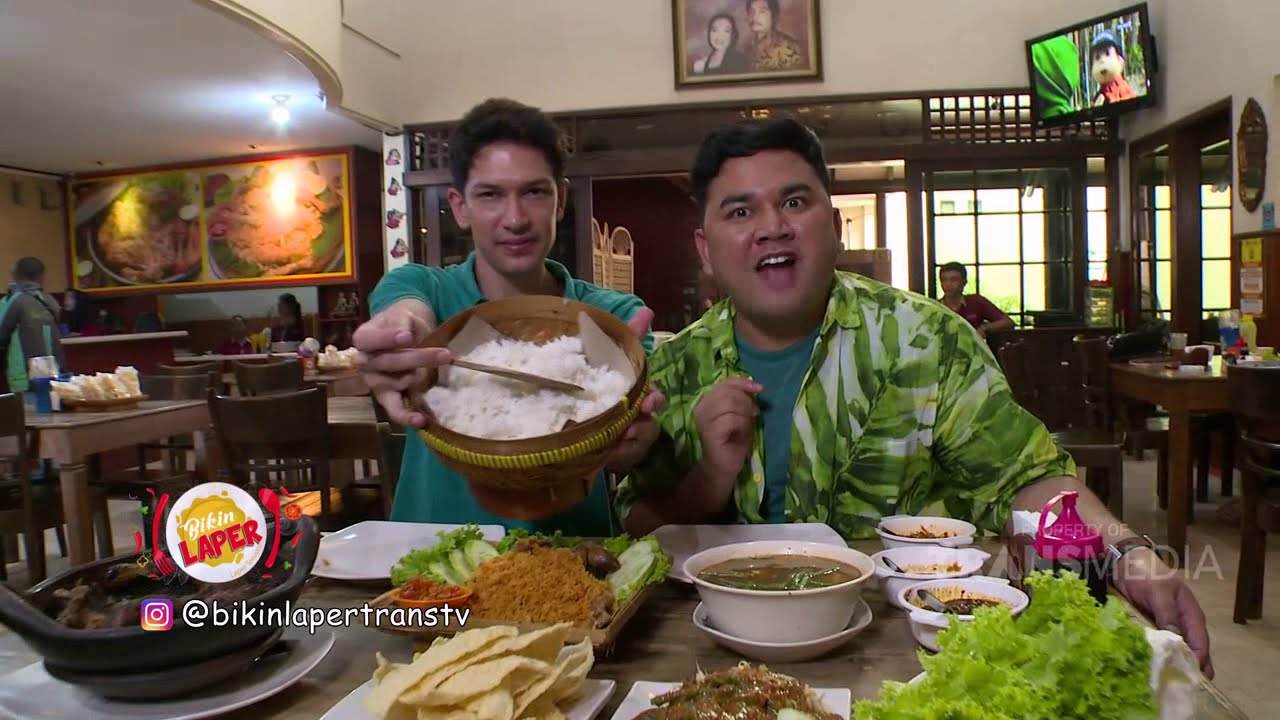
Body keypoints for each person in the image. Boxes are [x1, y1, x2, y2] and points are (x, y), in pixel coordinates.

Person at [615, 117, 1213, 676]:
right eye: (741, 210)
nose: (772, 226)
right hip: (707, 659)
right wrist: (709, 480)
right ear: (705, 248)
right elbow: (635, 531)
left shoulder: (926, 339)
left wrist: (1126, 551)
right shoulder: (671, 368)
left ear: (834, 222)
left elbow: (1026, 482)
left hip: (909, 656)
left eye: (795, 201)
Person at [353, 98, 663, 534]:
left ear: (560, 201)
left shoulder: (613, 314)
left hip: (574, 568)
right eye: (491, 194)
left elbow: (639, 437)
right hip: (429, 572)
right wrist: (401, 334)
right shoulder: (429, 290)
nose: (515, 219)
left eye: (534, 192)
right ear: (460, 207)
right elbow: (403, 307)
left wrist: (635, 442)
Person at [0, 257, 66, 392]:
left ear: (16, 275)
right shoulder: (51, 302)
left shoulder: (13, 300)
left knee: (26, 412)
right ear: (42, 276)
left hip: (23, 374)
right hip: (52, 371)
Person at [937, 262, 1015, 338]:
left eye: (953, 280)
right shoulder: (935, 307)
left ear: (964, 282)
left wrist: (984, 328)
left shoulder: (976, 302)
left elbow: (1008, 322)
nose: (948, 284)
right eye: (944, 280)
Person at [744, 0, 803, 72]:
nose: (755, 17)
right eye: (751, 12)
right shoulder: (747, 47)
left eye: (762, 12)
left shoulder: (788, 46)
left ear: (774, 16)